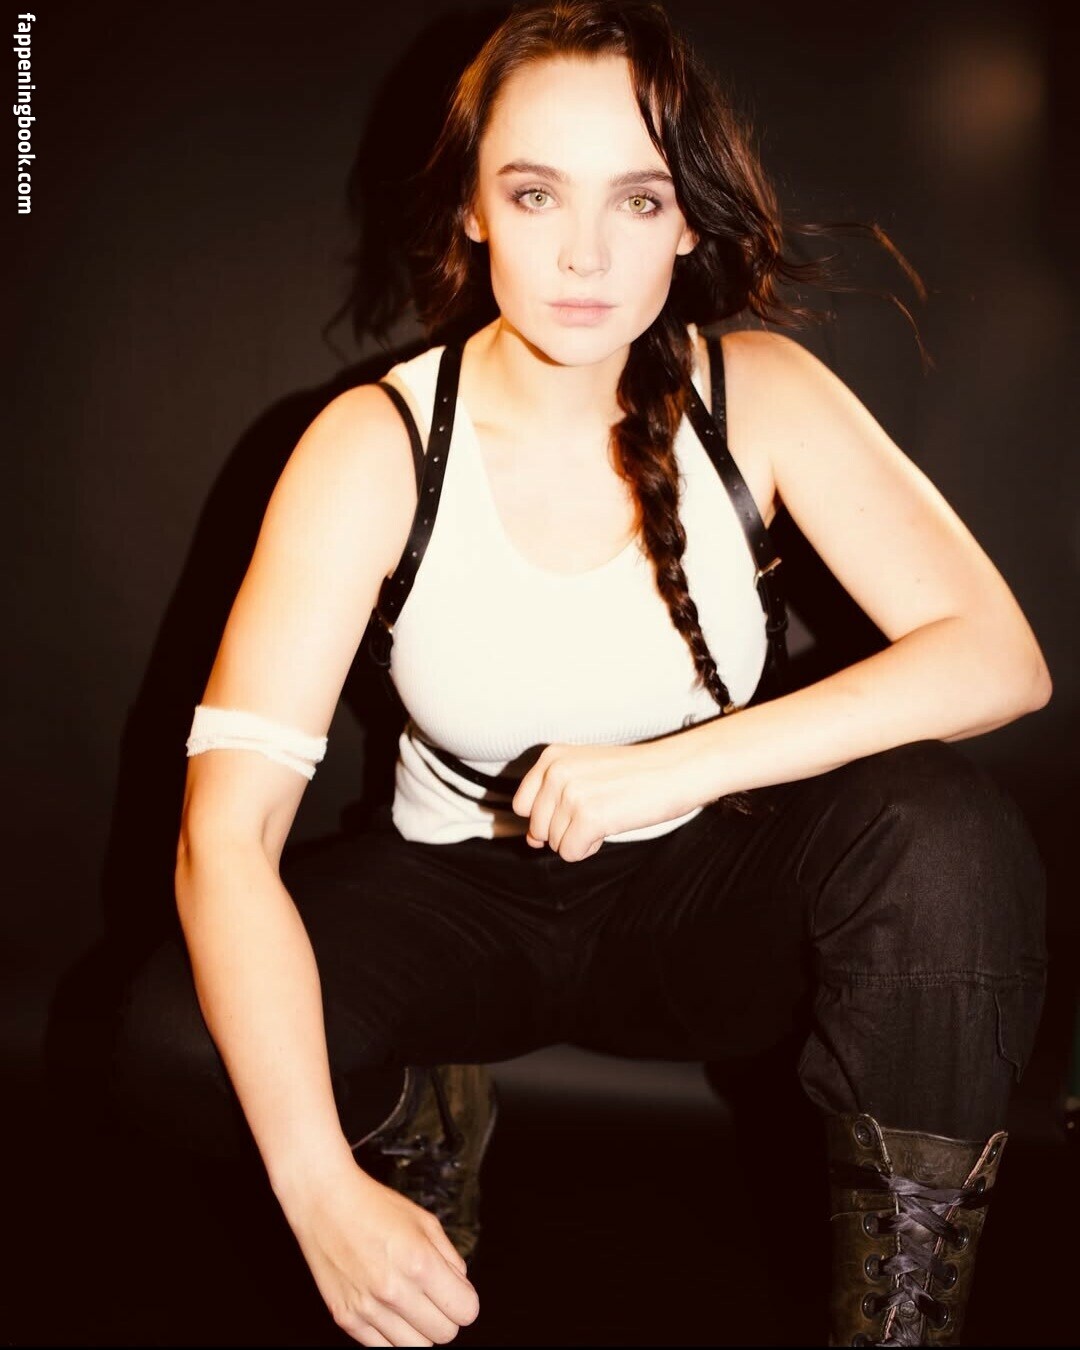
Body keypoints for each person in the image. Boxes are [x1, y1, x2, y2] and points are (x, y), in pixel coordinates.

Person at [112, 1, 1052, 1345]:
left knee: (944, 835)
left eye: (639, 198)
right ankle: (423, 1129)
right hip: (461, 902)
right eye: (537, 192)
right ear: (474, 208)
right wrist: (317, 1186)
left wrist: (662, 771)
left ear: (688, 221)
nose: (588, 254)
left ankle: (899, 1325)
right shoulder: (371, 444)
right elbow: (226, 837)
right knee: (179, 1032)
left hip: (699, 904)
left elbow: (999, 658)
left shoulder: (762, 393)